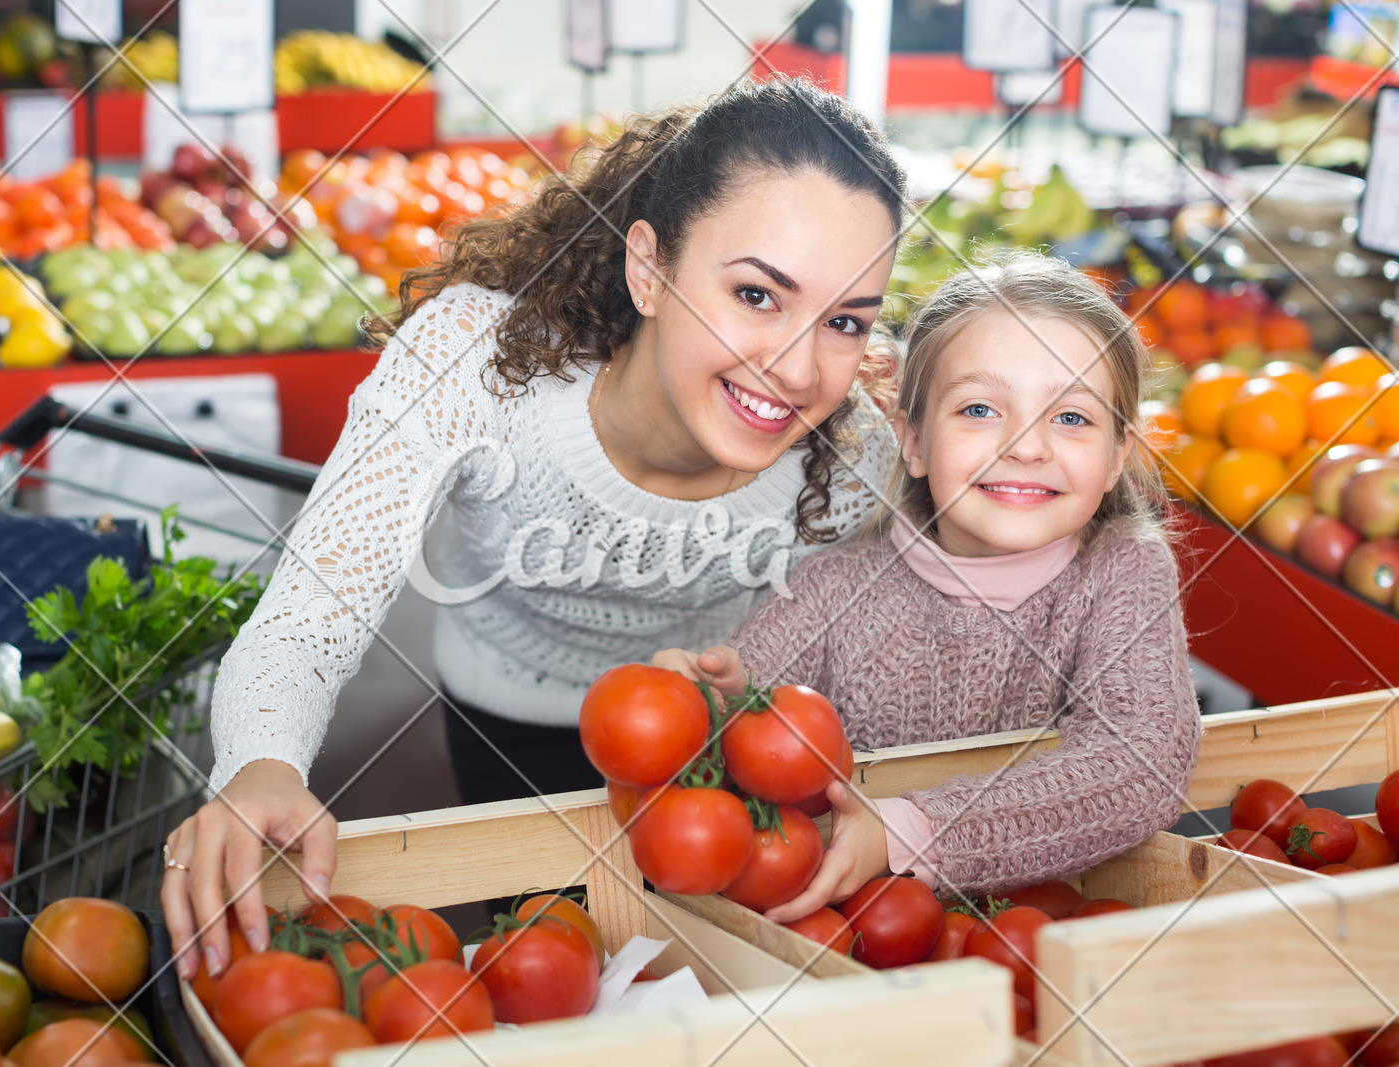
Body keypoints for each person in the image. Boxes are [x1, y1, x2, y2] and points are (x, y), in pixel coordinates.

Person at [162, 77, 909, 981]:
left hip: (720, 746)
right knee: (551, 968)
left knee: (710, 989)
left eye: (843, 321)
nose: (796, 367)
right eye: (756, 295)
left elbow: (847, 652)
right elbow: (310, 614)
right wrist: (260, 766)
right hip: (509, 713)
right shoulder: (475, 363)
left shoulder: (851, 457)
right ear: (649, 268)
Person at [657, 252, 1202, 921]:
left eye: (1071, 418)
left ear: (1119, 455)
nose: (1026, 446)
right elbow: (745, 712)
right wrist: (718, 699)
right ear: (913, 442)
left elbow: (1140, 759)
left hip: (1052, 935)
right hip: (867, 939)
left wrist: (908, 830)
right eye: (979, 408)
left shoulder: (1124, 571)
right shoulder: (838, 587)